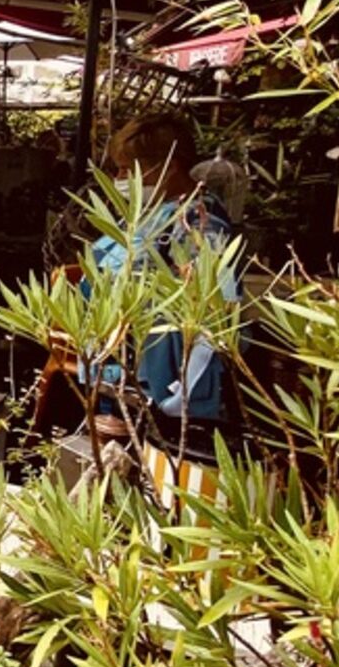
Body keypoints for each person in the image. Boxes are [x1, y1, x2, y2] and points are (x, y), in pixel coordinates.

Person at [92, 111, 237, 433]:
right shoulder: (147, 217)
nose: (119, 178)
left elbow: (215, 314)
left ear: (168, 168)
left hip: (162, 396)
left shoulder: (200, 226)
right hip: (121, 376)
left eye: (129, 169)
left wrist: (179, 397)